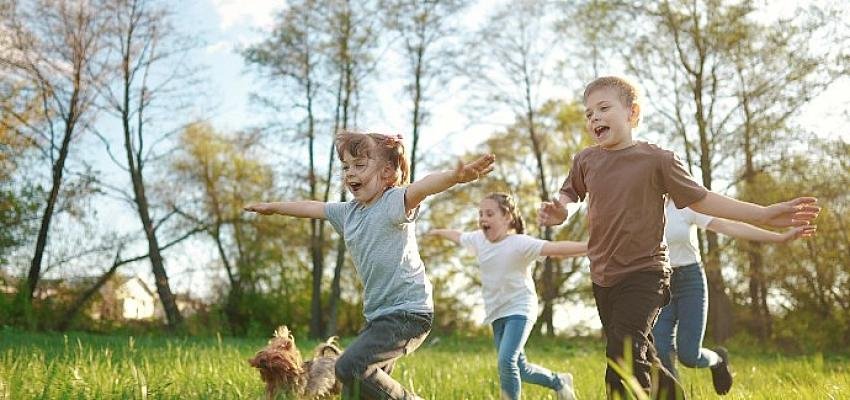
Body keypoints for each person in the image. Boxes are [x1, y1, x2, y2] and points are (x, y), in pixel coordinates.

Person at [538, 76, 820, 400]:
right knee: (642, 351)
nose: (594, 118)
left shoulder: (658, 160)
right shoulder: (586, 160)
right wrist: (560, 210)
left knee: (623, 356)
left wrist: (764, 214)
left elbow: (702, 199)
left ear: (632, 113)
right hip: (603, 276)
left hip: (646, 273)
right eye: (588, 113)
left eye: (603, 108)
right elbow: (570, 193)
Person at [245, 131, 495, 400]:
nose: (350, 173)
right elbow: (311, 207)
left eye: (360, 165)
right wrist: (273, 207)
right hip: (377, 317)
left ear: (387, 173)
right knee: (357, 392)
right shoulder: (348, 213)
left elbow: (423, 187)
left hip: (408, 312)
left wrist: (453, 177)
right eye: (346, 167)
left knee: (349, 367)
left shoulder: (392, 203)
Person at [429, 192, 586, 400]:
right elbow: (458, 235)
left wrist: (589, 248)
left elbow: (555, 249)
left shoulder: (520, 243)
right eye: (481, 214)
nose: (483, 219)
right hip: (497, 312)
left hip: (520, 309)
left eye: (490, 214)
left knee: (506, 361)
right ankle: (559, 382)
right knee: (520, 368)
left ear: (507, 217)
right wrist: (436, 231)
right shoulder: (478, 239)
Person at [655, 201, 816, 395]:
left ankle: (718, 360)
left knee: (689, 356)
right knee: (660, 350)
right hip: (659, 280)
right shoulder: (643, 205)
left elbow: (728, 225)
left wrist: (779, 238)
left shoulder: (685, 204)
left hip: (690, 281)